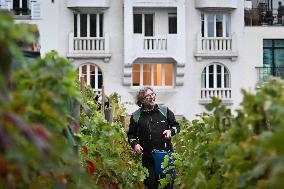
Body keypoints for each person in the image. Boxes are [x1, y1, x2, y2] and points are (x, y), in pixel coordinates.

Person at [127, 87, 180, 189]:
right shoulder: (136, 116)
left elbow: (177, 126)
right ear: (142, 100)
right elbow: (131, 135)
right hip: (148, 158)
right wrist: (135, 144)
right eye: (148, 96)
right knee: (150, 186)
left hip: (166, 156)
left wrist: (171, 131)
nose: (152, 97)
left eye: (153, 94)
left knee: (168, 186)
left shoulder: (165, 111)